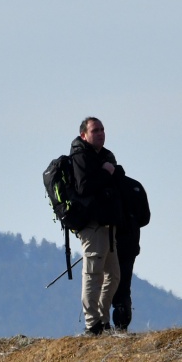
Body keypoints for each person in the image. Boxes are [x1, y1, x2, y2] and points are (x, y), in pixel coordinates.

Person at [69, 117, 123, 334]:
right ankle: (93, 325)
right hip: (91, 225)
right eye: (95, 130)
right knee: (93, 274)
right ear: (84, 135)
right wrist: (107, 173)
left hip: (108, 224)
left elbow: (119, 178)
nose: (100, 133)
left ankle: (102, 319)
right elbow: (83, 187)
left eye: (102, 129)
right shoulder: (80, 156)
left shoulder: (106, 156)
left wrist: (111, 172)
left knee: (114, 275)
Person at [111, 171, 150, 331]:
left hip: (108, 243)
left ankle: (100, 323)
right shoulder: (134, 185)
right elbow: (145, 218)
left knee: (104, 283)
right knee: (124, 285)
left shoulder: (103, 186)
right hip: (130, 243)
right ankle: (122, 324)